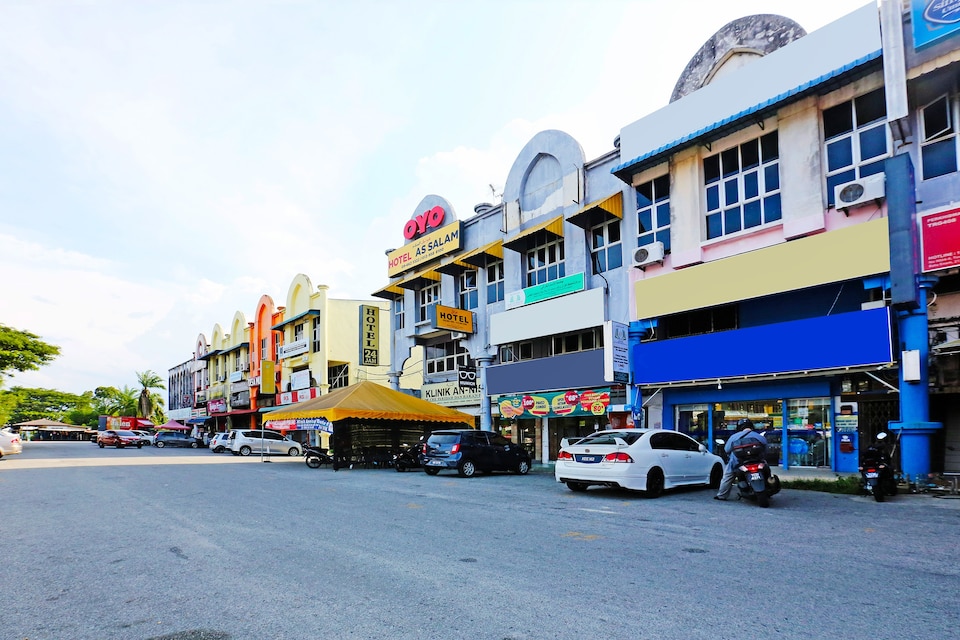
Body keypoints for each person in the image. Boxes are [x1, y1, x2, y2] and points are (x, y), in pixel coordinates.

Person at [714, 418, 768, 501]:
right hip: (757, 461)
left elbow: (726, 450)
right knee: (767, 470)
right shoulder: (758, 436)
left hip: (738, 462)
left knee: (728, 475)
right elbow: (765, 449)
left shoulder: (734, 437)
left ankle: (722, 495)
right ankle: (769, 486)